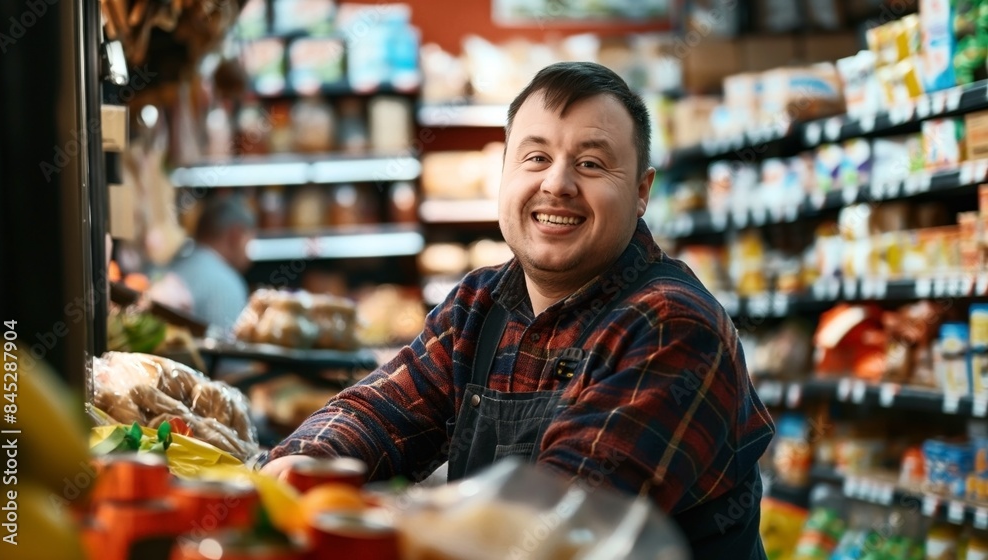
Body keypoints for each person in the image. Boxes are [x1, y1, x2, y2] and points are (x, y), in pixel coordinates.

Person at [260, 62, 775, 557]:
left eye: (591, 163)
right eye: (535, 158)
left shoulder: (673, 326)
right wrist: (307, 464)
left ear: (642, 191)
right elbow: (383, 410)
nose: (557, 184)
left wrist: (403, 518)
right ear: (503, 171)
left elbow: (554, 524)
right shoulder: (478, 305)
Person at [156, 195, 255, 333]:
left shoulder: (170, 265)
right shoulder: (228, 284)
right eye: (249, 239)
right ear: (235, 235)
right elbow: (228, 351)